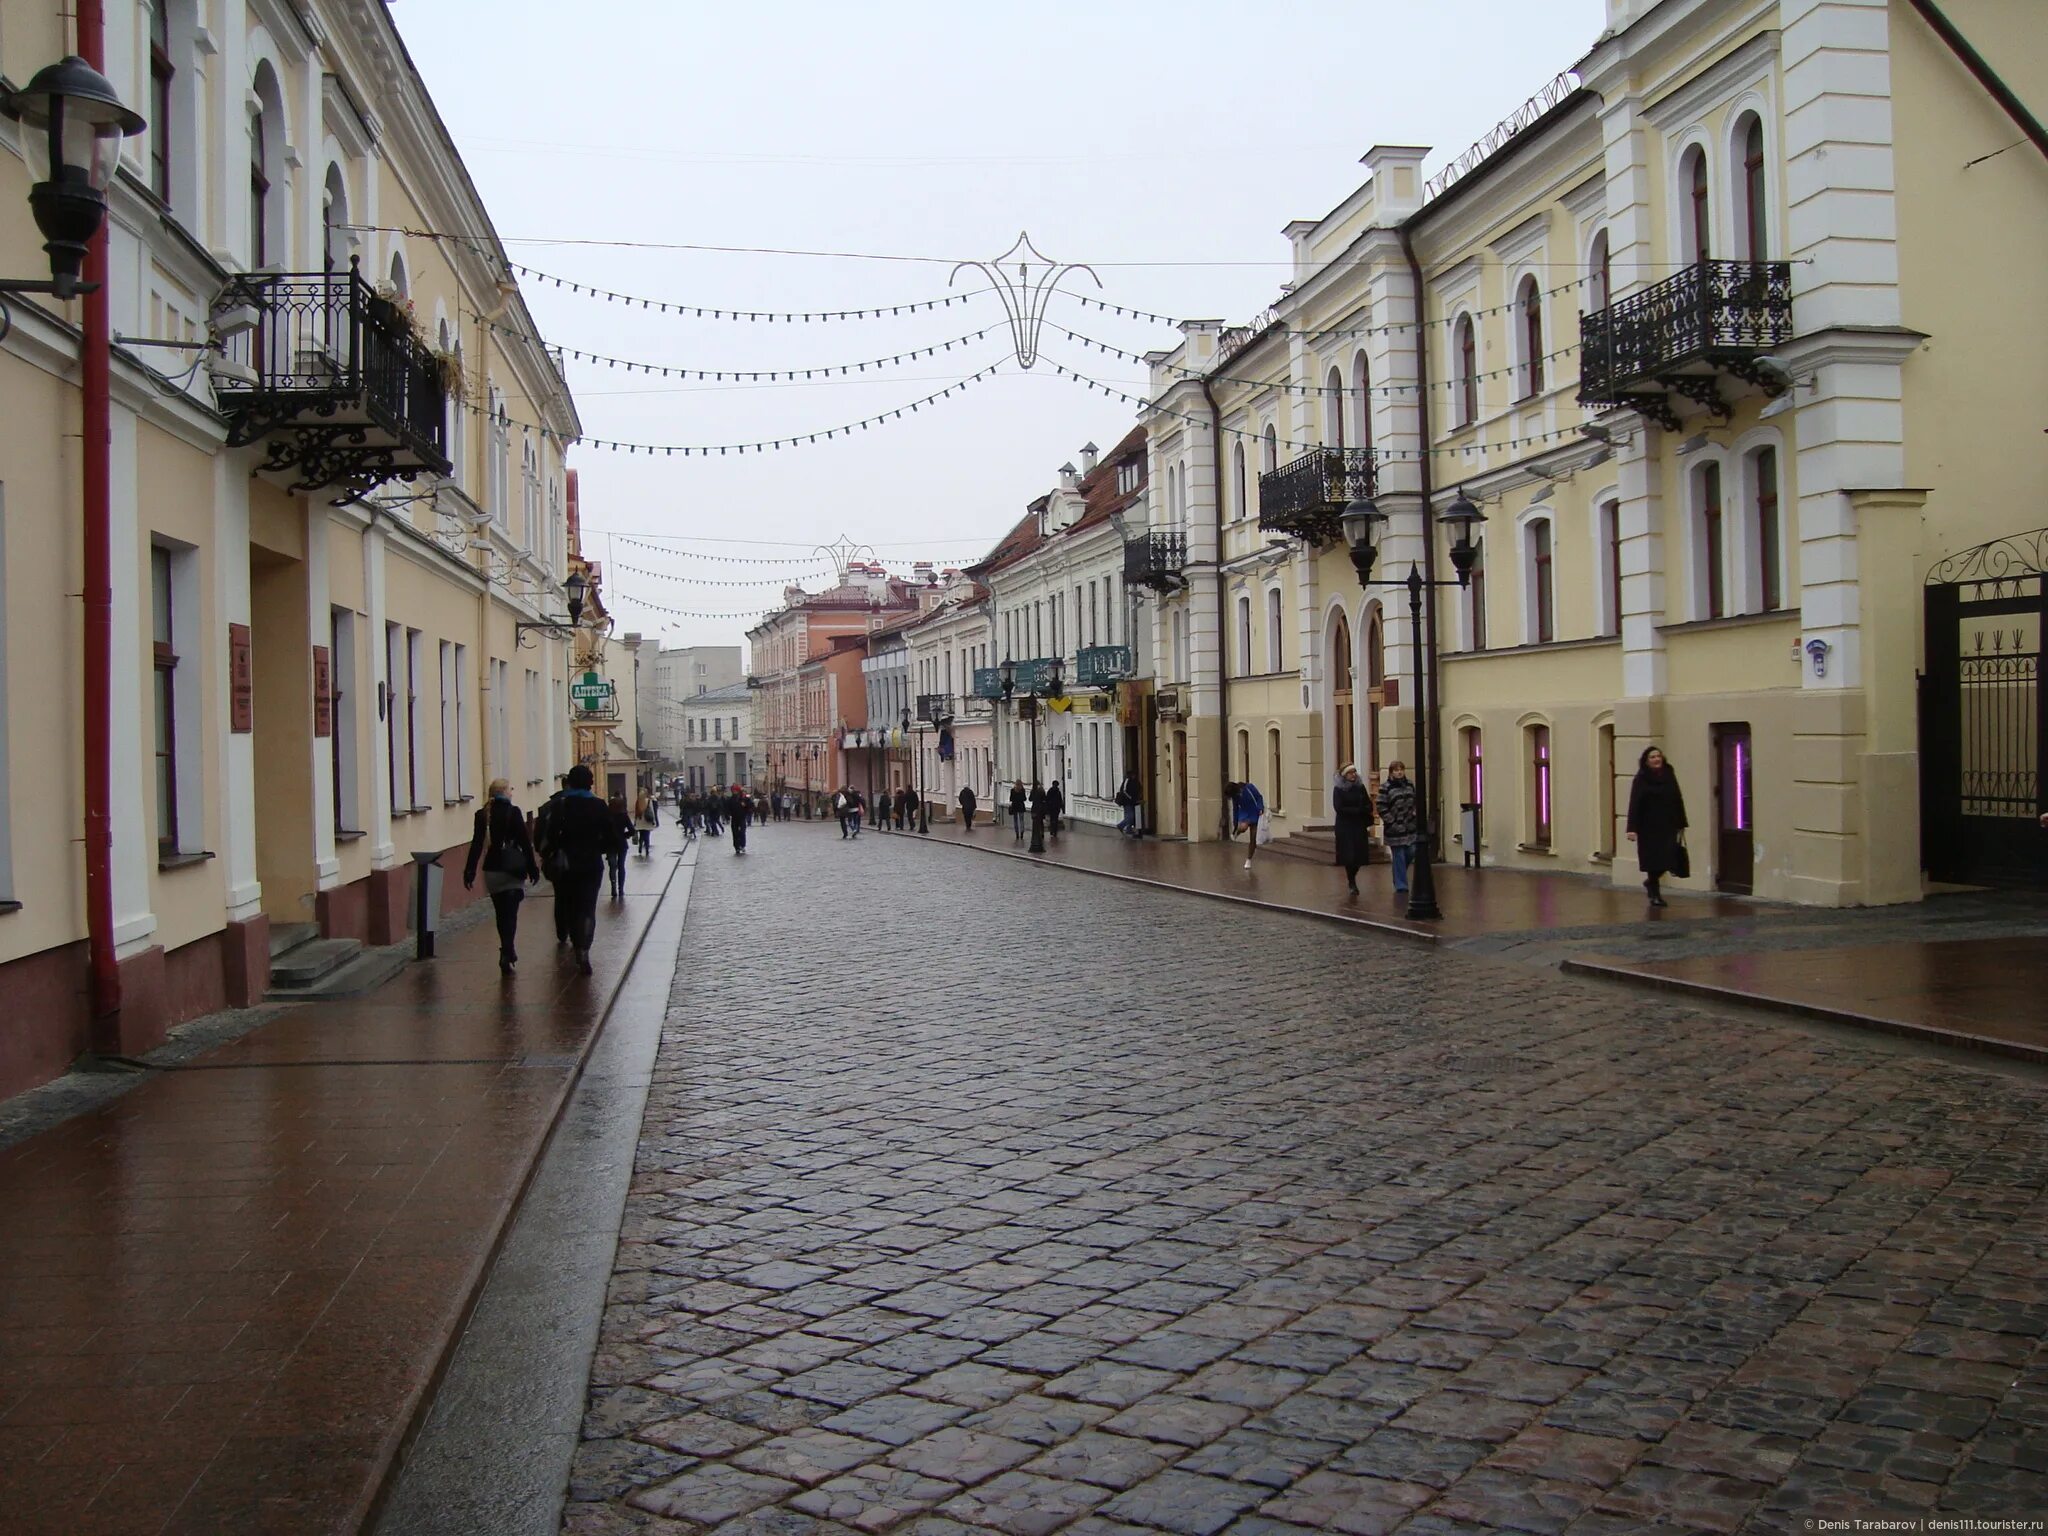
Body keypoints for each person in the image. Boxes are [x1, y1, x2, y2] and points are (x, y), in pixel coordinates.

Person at [541, 764, 624, 975]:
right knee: (587, 907)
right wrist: (600, 848)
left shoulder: (561, 805)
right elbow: (612, 837)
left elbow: (550, 837)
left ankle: (572, 937)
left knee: (569, 904)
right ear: (590, 782)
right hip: (590, 864)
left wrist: (551, 853)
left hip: (567, 865)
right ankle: (584, 950)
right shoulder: (598, 806)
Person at [465, 778, 540, 974]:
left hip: (492, 870)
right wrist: (533, 868)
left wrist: (470, 871)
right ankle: (508, 949)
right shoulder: (513, 812)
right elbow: (525, 843)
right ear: (504, 792)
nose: (512, 793)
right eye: (510, 789)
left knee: (500, 913)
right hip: (512, 869)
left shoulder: (482, 814)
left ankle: (506, 949)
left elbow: (476, 844)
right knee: (511, 913)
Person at [1626, 745, 1689, 908]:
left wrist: (1682, 822)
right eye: (1652, 757)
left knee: (1669, 859)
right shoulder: (1641, 778)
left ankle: (1650, 882)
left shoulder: (1669, 773)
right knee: (1653, 860)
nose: (1656, 759)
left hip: (1668, 824)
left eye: (1658, 756)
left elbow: (1677, 797)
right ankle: (1655, 894)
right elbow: (1635, 804)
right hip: (1648, 827)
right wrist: (1631, 828)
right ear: (1646, 761)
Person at [532, 775, 573, 947]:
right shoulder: (578, 805)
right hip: (576, 858)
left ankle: (562, 931)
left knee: (560, 895)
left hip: (554, 860)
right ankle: (574, 929)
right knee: (576, 895)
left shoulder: (546, 807)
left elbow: (538, 836)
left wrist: (544, 853)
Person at [1332, 764, 1376, 895]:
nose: (1353, 774)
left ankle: (1353, 875)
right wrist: (1357, 810)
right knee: (1349, 856)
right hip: (1344, 827)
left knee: (1360, 857)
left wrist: (1366, 810)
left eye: (1354, 772)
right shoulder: (1338, 789)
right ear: (1344, 775)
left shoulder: (1360, 787)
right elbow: (1339, 807)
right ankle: (1351, 881)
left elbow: (1368, 803)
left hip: (1358, 826)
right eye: (1350, 773)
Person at [1377, 761, 1419, 897]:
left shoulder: (1410, 785)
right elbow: (1381, 807)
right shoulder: (1385, 787)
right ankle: (1401, 885)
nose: (1399, 772)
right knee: (1399, 855)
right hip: (1394, 829)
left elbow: (1415, 801)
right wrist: (1392, 821)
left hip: (1409, 826)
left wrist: (1414, 814)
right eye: (1396, 770)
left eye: (1401, 769)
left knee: (1412, 851)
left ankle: (1398, 873)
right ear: (1391, 772)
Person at [1226, 780, 1265, 870]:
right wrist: (1235, 824)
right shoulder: (1235, 797)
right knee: (1243, 827)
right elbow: (1235, 809)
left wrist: (1261, 807)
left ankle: (1249, 859)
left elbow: (1259, 797)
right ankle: (1237, 832)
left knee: (1253, 838)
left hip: (1254, 811)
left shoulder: (1249, 787)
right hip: (1244, 812)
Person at [605, 794, 634, 901]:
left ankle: (613, 888)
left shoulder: (606, 816)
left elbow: (602, 831)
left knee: (612, 866)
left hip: (610, 844)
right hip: (621, 844)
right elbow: (632, 830)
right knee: (621, 866)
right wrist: (624, 836)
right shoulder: (624, 815)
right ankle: (621, 889)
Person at [1114, 772, 1142, 838]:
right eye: (1133, 775)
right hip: (1127, 802)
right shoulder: (1127, 780)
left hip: (1133, 801)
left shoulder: (1135, 781)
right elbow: (1124, 791)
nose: (1134, 776)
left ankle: (1128, 829)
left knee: (1130, 815)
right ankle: (1121, 825)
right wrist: (1131, 798)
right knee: (1130, 816)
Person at [634, 789, 658, 856]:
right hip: (647, 821)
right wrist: (654, 820)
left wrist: (635, 821)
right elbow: (652, 811)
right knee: (647, 836)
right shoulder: (648, 801)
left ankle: (640, 848)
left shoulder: (638, 801)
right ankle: (647, 849)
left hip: (639, 821)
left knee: (641, 836)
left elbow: (636, 812)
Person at [729, 784, 752, 854]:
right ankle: (736, 847)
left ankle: (742, 845)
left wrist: (746, 806)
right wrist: (728, 814)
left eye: (735, 791)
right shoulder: (731, 799)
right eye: (733, 791)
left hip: (742, 817)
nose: (734, 792)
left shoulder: (744, 798)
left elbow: (750, 806)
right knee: (735, 833)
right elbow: (727, 807)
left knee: (742, 832)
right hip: (734, 818)